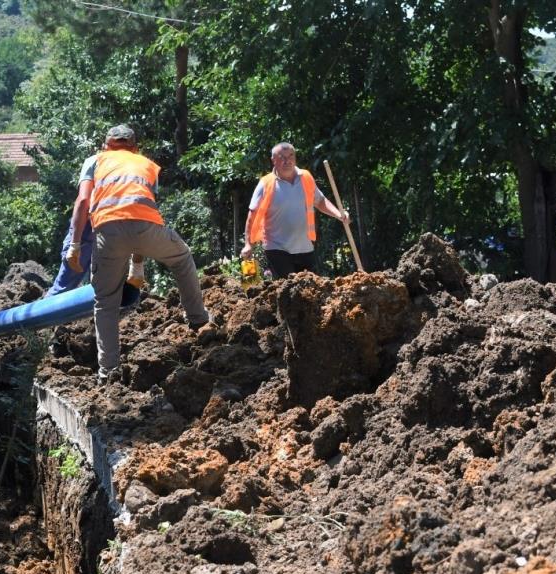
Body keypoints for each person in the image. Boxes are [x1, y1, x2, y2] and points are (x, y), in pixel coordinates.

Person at [65, 124, 209, 383]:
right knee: (182, 257)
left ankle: (108, 372)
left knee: (106, 301)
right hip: (147, 228)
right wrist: (138, 266)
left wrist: (74, 245)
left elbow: (83, 202)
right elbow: (141, 211)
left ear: (105, 146)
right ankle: (199, 321)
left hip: (107, 232)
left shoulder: (95, 161)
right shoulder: (146, 165)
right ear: (135, 147)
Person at [240, 142, 350, 278]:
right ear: (273, 160)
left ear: (295, 158)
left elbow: (320, 201)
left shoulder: (306, 177)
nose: (287, 160)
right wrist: (248, 244)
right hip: (276, 247)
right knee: (288, 289)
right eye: (282, 157)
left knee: (309, 290)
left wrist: (339, 214)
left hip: (305, 247)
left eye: (291, 156)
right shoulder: (266, 183)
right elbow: (253, 214)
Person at [46, 147, 145, 297]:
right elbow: (138, 216)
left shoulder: (103, 164)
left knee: (69, 287)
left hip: (101, 231)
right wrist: (137, 264)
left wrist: (75, 244)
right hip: (96, 230)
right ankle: (43, 317)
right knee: (99, 288)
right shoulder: (133, 170)